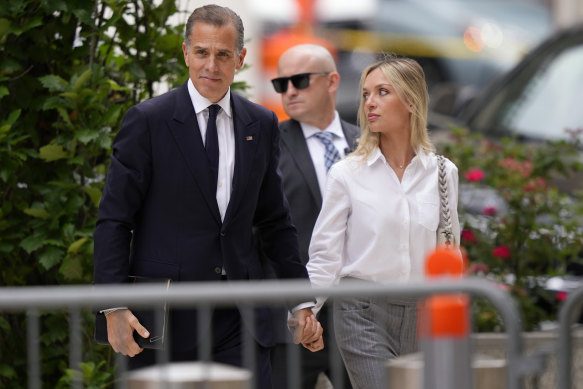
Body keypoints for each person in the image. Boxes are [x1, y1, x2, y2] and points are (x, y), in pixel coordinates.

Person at [93, 5, 323, 388]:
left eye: (223, 54)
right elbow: (115, 220)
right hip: (164, 321)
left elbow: (275, 222)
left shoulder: (261, 123)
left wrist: (300, 301)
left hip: (241, 320)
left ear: (241, 59)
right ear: (186, 53)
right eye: (202, 52)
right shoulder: (148, 121)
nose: (211, 66)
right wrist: (113, 305)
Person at [306, 56, 461, 389]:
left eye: (382, 92)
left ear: (410, 101)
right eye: (365, 94)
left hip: (423, 314)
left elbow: (450, 251)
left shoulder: (444, 174)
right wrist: (307, 310)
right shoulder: (347, 174)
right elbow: (325, 254)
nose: (369, 103)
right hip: (361, 313)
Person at [268, 44, 358, 388]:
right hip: (293, 318)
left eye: (300, 80)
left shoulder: (367, 142)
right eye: (281, 84)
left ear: (332, 81)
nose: (289, 91)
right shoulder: (267, 145)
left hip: (359, 319)